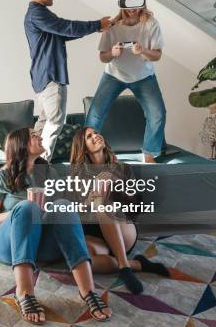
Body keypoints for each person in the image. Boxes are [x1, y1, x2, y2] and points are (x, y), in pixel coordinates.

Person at [0, 128, 112, 325]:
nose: (41, 137)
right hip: (10, 246)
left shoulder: (49, 172)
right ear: (22, 145)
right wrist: (18, 211)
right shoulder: (1, 176)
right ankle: (24, 293)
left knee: (63, 205)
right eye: (34, 135)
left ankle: (88, 291)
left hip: (42, 246)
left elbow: (67, 209)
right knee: (27, 207)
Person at [69, 126, 170, 294]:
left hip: (124, 230)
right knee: (82, 261)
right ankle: (138, 264)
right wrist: (88, 201)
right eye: (89, 136)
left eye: (96, 132)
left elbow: (136, 207)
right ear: (83, 148)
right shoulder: (77, 177)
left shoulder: (122, 168)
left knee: (104, 205)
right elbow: (74, 215)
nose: (96, 136)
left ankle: (124, 266)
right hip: (97, 237)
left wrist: (115, 182)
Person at [25, 0, 112, 161]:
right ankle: (41, 168)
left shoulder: (40, 14)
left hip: (43, 77)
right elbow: (65, 27)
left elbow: (64, 33)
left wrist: (97, 27)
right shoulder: (37, 13)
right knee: (55, 121)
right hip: (51, 75)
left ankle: (29, 164)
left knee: (45, 121)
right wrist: (97, 24)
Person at [85, 0, 166, 163]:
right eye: (128, 6)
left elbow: (157, 55)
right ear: (122, 5)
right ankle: (88, 155)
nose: (133, 10)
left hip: (144, 76)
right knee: (95, 115)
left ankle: (149, 154)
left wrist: (143, 51)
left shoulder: (151, 24)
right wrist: (112, 54)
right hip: (114, 75)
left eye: (137, 5)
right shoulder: (113, 26)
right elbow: (102, 57)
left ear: (143, 3)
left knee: (157, 113)